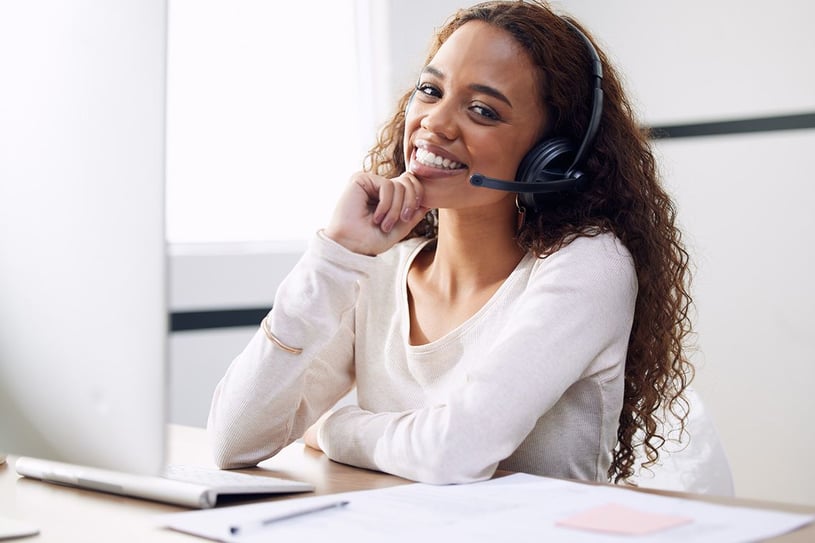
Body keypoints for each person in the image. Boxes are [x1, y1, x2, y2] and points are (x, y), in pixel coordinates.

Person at [207, 0, 694, 486]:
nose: (435, 124)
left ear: (550, 157)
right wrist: (337, 255)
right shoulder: (379, 270)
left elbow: (452, 454)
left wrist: (335, 425)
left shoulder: (588, 266)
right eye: (429, 90)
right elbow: (235, 440)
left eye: (482, 110)